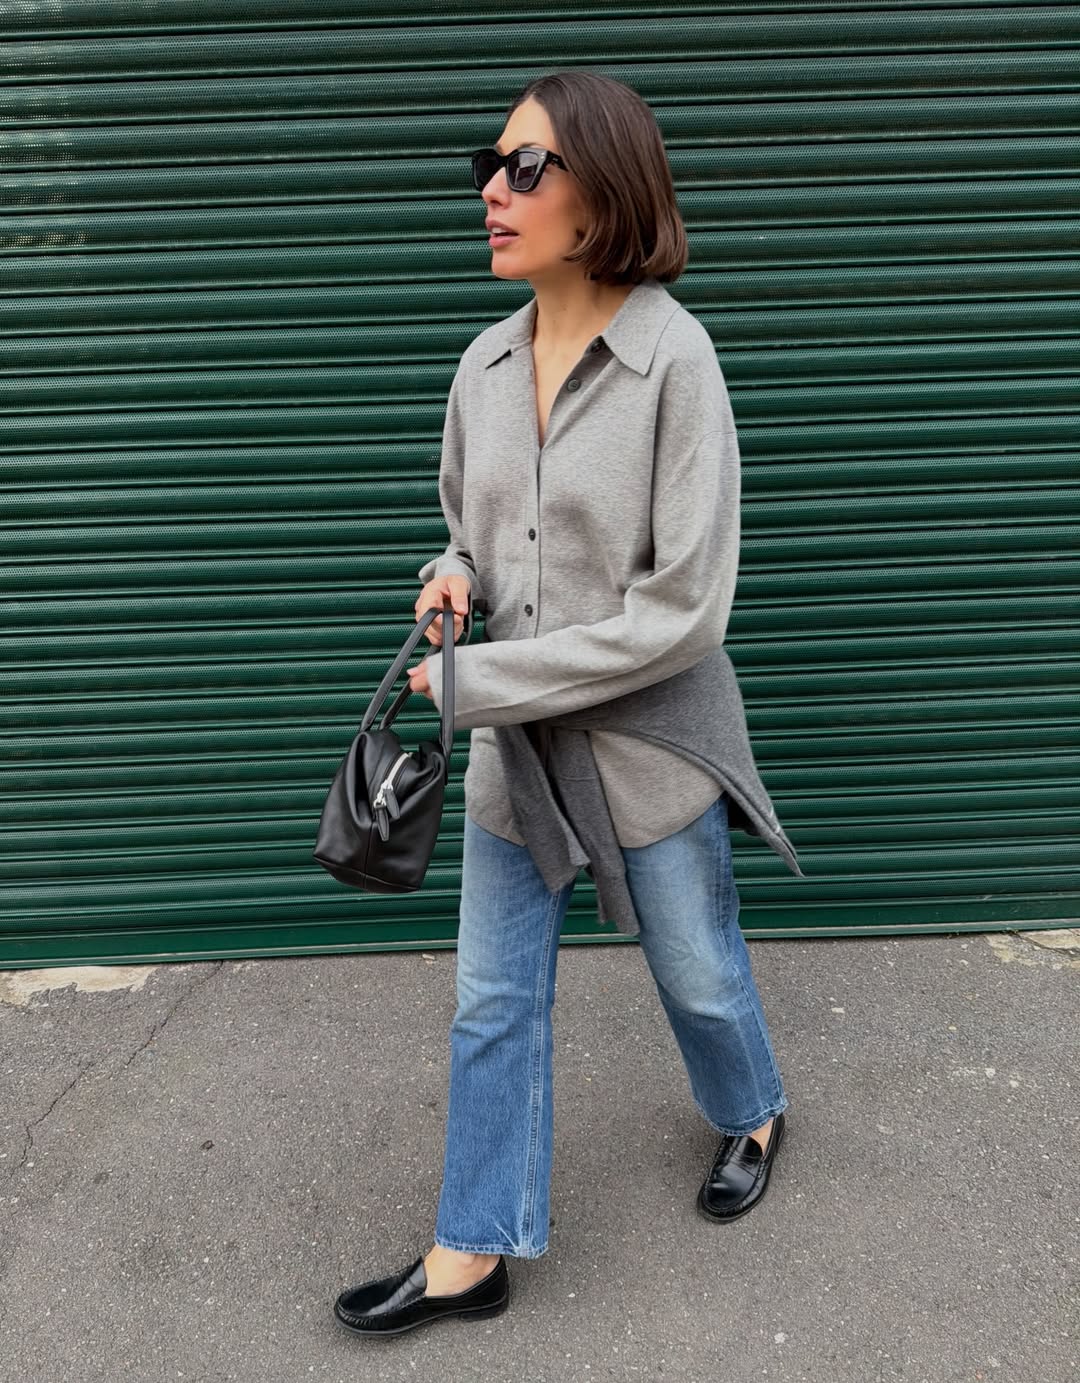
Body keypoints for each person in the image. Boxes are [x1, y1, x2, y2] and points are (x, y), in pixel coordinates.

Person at [333, 70, 789, 1341]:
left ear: (605, 189)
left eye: (525, 167)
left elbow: (682, 612)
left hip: (647, 739)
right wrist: (453, 577)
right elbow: (470, 528)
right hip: (513, 751)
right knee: (491, 998)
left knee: (696, 974)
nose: (492, 189)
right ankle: (470, 1253)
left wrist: (478, 682)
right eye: (492, 165)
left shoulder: (672, 362)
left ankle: (751, 1107)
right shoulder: (482, 366)